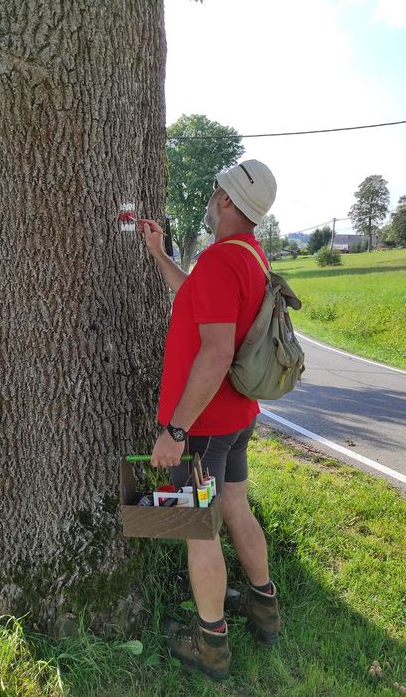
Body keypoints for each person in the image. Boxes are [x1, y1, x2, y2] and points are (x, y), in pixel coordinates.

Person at [137, 159, 280, 682]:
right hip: (237, 415)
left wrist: (176, 431)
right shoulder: (248, 255)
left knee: (199, 531)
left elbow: (216, 352)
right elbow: (194, 298)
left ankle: (210, 643)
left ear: (225, 199)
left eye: (215, 188)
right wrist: (160, 255)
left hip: (203, 425)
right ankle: (265, 610)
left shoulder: (222, 261)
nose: (210, 194)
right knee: (236, 507)